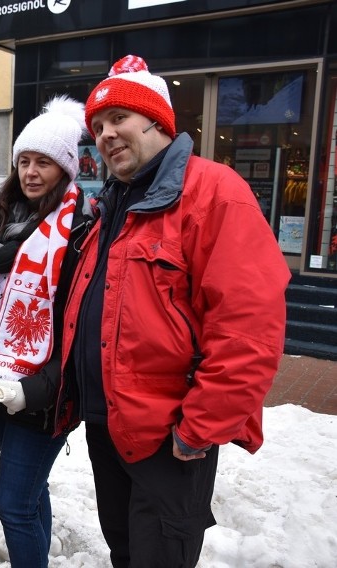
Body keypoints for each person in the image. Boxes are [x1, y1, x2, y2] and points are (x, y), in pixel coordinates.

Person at [63, 55, 290, 568]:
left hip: (170, 438)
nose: (106, 134)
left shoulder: (214, 193)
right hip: (110, 429)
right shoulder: (112, 205)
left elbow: (249, 328)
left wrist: (199, 426)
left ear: (158, 121)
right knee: (126, 553)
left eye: (118, 118)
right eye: (97, 126)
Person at [0, 94, 89, 567]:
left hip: (45, 388)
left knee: (14, 504)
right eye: (24, 161)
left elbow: (79, 320)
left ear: (66, 169)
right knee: (31, 492)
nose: (31, 172)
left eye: (44, 162)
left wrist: (34, 390)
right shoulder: (5, 219)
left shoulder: (79, 228)